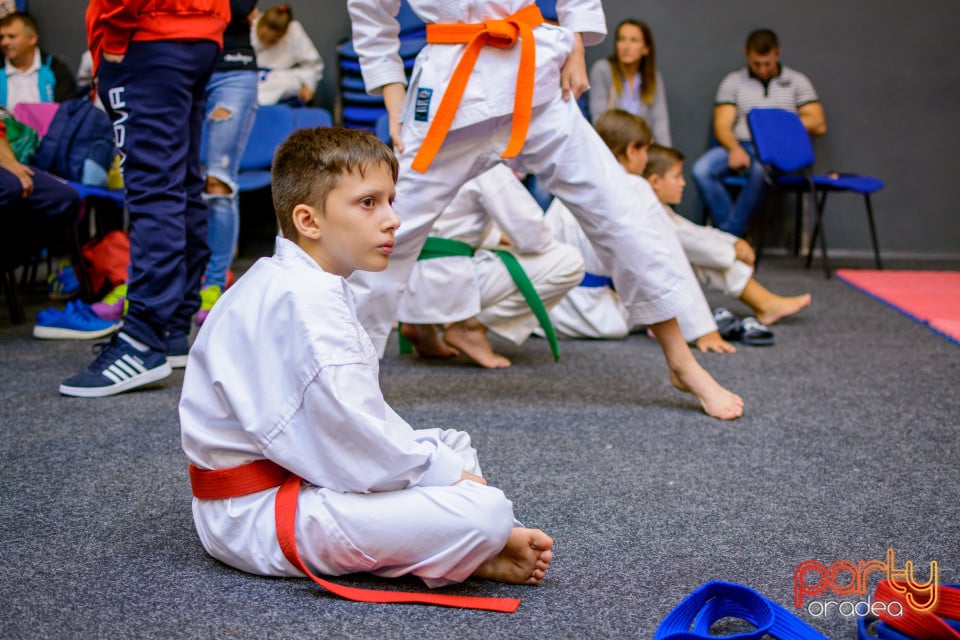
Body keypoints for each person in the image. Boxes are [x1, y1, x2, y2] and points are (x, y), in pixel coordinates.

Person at [180, 127, 554, 600]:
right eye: (368, 203)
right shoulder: (310, 306)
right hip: (257, 517)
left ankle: (463, 546)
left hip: (274, 486)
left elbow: (352, 436)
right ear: (308, 220)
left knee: (451, 446)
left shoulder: (288, 280)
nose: (393, 220)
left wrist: (441, 467)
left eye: (391, 201)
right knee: (486, 511)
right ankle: (476, 546)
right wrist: (449, 480)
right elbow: (359, 450)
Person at [347, 0, 743, 420]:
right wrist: (392, 92)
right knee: (385, 232)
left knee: (622, 212)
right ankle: (349, 379)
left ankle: (681, 360)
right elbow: (369, 9)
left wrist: (576, 42)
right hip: (449, 92)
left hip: (536, 82)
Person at [59, 1, 228, 397]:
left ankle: (141, 341)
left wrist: (115, 33)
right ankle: (171, 329)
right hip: (199, 33)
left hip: (146, 34)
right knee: (182, 184)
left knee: (154, 190)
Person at [544, 110, 733, 353]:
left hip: (553, 309)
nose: (647, 158)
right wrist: (702, 329)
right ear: (631, 150)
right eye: (645, 150)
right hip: (597, 317)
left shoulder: (574, 179)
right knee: (660, 265)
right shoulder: (635, 186)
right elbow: (668, 254)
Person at [398, 163, 584, 368]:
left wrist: (495, 237)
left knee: (443, 247)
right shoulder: (484, 162)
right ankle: (470, 328)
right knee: (569, 261)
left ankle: (421, 327)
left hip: (404, 279)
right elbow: (534, 238)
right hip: (448, 278)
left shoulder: (412, 152)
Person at [644, 143, 811, 326]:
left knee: (707, 260)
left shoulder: (661, 209)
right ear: (655, 182)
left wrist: (734, 242)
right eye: (677, 177)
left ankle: (767, 305)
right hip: (632, 308)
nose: (683, 182)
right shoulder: (651, 214)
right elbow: (691, 243)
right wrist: (733, 251)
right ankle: (767, 304)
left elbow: (695, 232)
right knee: (705, 260)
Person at [691, 28, 826, 238]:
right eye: (757, 64)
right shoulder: (733, 83)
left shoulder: (797, 82)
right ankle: (735, 236)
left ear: (777, 54)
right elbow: (722, 125)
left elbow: (818, 123)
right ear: (747, 54)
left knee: (758, 171)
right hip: (741, 146)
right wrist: (734, 149)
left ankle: (730, 237)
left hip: (778, 153)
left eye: (768, 64)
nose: (762, 70)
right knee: (701, 170)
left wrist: (777, 129)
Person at [196, 0, 260, 325]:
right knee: (176, 181)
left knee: (218, 182)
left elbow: (241, 7)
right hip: (182, 65)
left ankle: (214, 283)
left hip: (232, 69)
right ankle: (184, 280)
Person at [587, 18, 670, 145]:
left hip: (641, 148)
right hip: (611, 146)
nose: (626, 46)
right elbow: (599, 119)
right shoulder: (602, 69)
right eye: (621, 39)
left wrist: (667, 157)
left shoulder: (653, 77)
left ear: (646, 49)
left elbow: (660, 123)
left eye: (633, 40)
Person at [0, 11, 77, 111]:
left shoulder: (56, 70)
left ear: (33, 38)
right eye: (1, 37)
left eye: (12, 36)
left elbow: (67, 113)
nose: (4, 42)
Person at [252, 4, 323, 106]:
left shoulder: (293, 31)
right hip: (250, 75)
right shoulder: (250, 24)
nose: (266, 42)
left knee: (291, 83)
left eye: (272, 41)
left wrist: (308, 85)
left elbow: (312, 64)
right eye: (263, 37)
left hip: (278, 79)